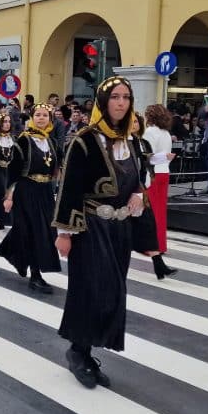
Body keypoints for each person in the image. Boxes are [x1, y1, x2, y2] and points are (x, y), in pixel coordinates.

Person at [54, 76, 147, 389]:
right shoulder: (85, 140)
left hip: (120, 228)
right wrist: (65, 232)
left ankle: (87, 349)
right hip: (91, 226)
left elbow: (139, 179)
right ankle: (78, 351)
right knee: (93, 289)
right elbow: (70, 189)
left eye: (126, 97)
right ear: (103, 102)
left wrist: (139, 194)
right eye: (115, 97)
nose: (121, 103)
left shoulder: (132, 140)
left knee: (112, 292)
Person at [0, 103, 61, 294]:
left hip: (45, 192)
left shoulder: (52, 142)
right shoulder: (24, 141)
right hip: (27, 190)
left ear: (50, 119)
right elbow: (13, 171)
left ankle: (12, 251)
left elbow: (57, 167)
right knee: (34, 231)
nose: (42, 118)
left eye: (45, 115)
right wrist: (9, 196)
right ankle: (36, 275)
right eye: (38, 115)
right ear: (32, 117)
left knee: (45, 230)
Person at [141, 105, 179, 277]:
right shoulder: (165, 133)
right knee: (161, 211)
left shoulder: (149, 132)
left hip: (154, 173)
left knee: (152, 212)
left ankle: (153, 245)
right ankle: (161, 245)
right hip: (165, 172)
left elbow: (147, 156)